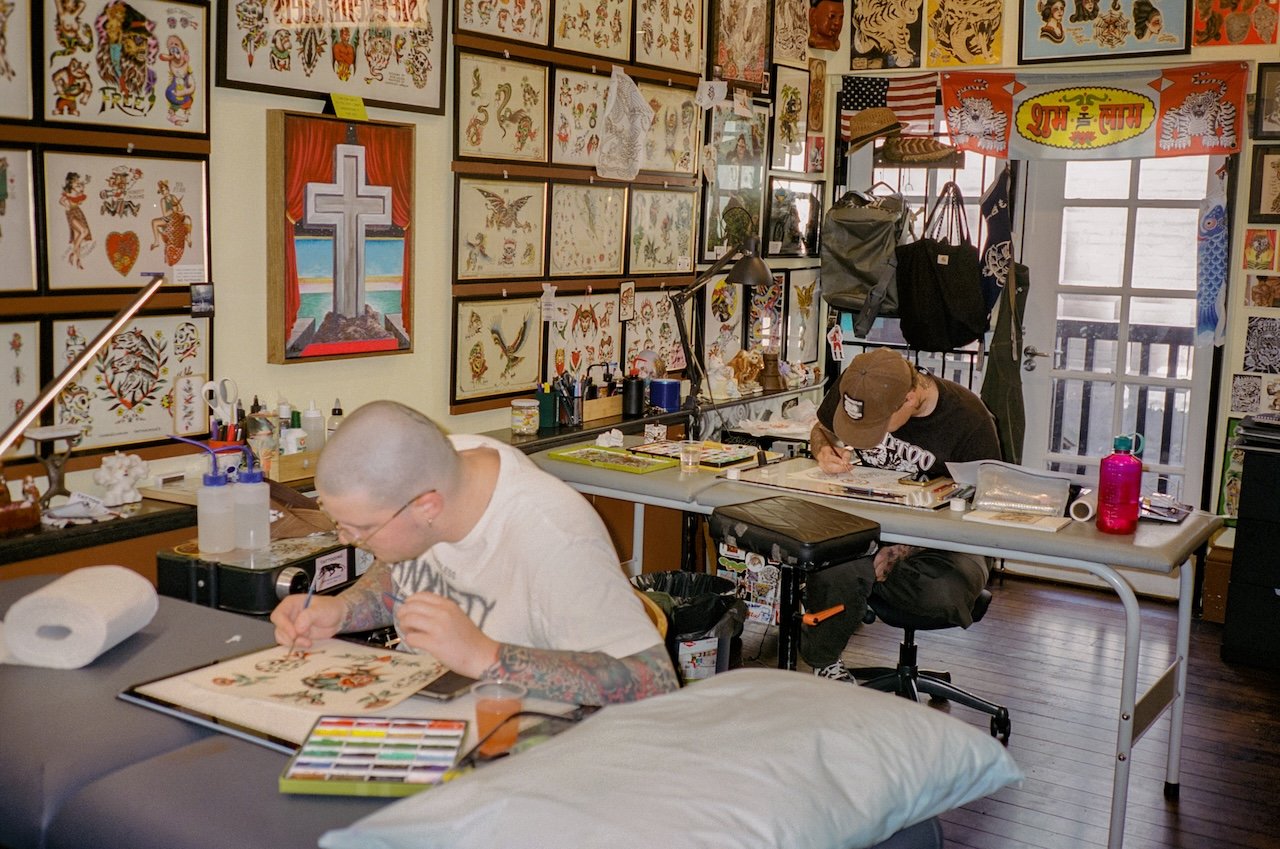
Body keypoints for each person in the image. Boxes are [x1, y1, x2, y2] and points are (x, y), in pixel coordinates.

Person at [271, 401, 679, 704]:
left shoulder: (555, 537)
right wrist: (341, 610)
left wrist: (485, 655)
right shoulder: (437, 469)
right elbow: (402, 568)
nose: (345, 539)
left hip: (529, 746)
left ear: (427, 507)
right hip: (424, 705)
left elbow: (652, 679)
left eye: (361, 529)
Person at [803, 348, 1000, 681]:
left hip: (945, 540)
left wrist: (903, 548)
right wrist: (823, 448)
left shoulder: (969, 419)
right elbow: (821, 429)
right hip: (865, 527)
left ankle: (854, 584)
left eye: (875, 425)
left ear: (910, 398)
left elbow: (982, 509)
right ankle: (824, 660)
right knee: (836, 562)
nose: (864, 432)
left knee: (942, 593)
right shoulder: (860, 383)